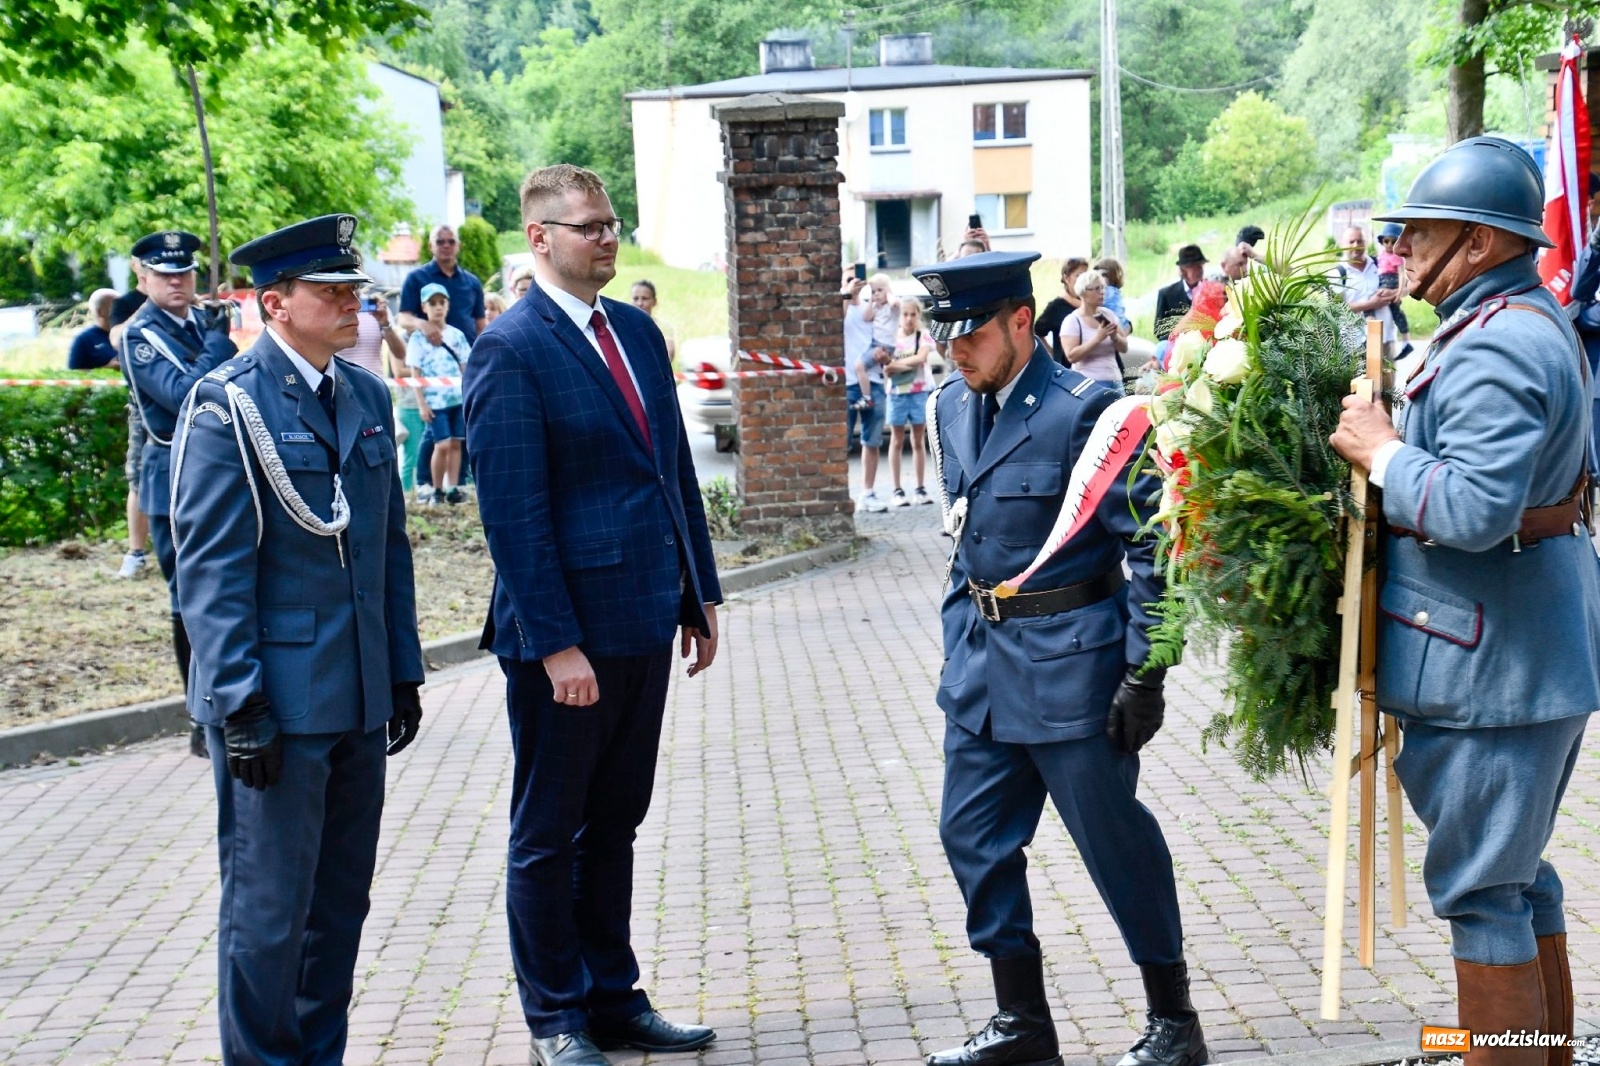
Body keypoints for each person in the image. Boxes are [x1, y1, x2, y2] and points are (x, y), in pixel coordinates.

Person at [1332, 136, 1600, 1066]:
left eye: (1418, 236)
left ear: (1480, 244)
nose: (1400, 253)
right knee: (1513, 878)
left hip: (1493, 661)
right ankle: (1542, 1054)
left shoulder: (1501, 344)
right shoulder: (1511, 318)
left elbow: (1476, 511)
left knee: (1484, 891)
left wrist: (1381, 451)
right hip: (1515, 651)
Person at [914, 250, 1205, 1066]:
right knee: (971, 838)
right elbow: (964, 536)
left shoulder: (1091, 411)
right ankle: (1023, 1025)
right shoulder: (950, 407)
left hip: (1075, 671)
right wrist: (956, 643)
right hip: (981, 672)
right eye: (945, 337)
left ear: (1018, 321)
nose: (954, 352)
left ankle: (1174, 1022)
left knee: (1116, 847)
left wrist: (1146, 671)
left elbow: (1153, 549)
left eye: (969, 334)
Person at [463, 164, 722, 1066]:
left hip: (646, 615)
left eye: (613, 224)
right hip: (565, 640)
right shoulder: (510, 348)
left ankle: (614, 999)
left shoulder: (641, 335)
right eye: (587, 227)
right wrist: (555, 644)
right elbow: (514, 514)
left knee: (615, 823)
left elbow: (672, 471)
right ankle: (557, 1019)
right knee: (548, 834)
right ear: (540, 239)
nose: (606, 238)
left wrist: (701, 593)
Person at [170, 213, 424, 1066]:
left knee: (338, 906)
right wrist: (238, 703)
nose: (352, 304)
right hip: (276, 701)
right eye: (331, 291)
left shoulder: (362, 395)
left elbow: (386, 547)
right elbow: (210, 571)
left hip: (352, 690)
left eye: (355, 290)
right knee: (269, 913)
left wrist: (400, 670)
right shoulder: (229, 404)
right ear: (275, 303)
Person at [119, 229, 237, 756]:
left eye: (184, 272)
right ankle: (201, 716)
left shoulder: (198, 323)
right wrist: (217, 344)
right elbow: (182, 395)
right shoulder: (140, 335)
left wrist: (215, 344)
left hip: (216, 472)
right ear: (142, 279)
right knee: (188, 599)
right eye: (165, 275)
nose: (177, 282)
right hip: (171, 478)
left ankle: (228, 702)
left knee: (224, 590)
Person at [407, 283, 473, 505]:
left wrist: (469, 397)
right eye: (432, 303)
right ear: (424, 307)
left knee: (456, 443)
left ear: (448, 306)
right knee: (441, 444)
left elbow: (466, 367)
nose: (438, 308)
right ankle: (436, 488)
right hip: (435, 402)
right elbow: (415, 373)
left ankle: (453, 488)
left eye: (441, 303)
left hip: (457, 399)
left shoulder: (457, 335)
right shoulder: (417, 338)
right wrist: (422, 404)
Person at [111, 260, 152, 581]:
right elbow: (117, 338)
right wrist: (152, 304)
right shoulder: (127, 304)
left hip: (189, 401)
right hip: (145, 407)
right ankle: (136, 552)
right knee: (138, 479)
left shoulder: (186, 307)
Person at [885, 296, 934, 507]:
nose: (909, 318)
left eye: (913, 314)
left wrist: (897, 364)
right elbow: (886, 367)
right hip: (896, 393)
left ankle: (920, 488)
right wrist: (906, 365)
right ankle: (897, 489)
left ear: (918, 315)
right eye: (905, 314)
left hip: (918, 391)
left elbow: (921, 359)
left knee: (918, 440)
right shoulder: (890, 338)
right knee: (896, 440)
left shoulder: (922, 336)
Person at [857, 273, 896, 513]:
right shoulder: (862, 308)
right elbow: (865, 314)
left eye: (877, 290)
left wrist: (887, 295)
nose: (874, 294)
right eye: (871, 290)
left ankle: (867, 492)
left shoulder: (890, 309)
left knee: (871, 440)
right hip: (849, 382)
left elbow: (893, 358)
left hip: (876, 384)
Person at [1332, 226, 1399, 358]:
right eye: (1351, 242)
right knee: (1358, 379)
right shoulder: (1337, 274)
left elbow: (1406, 287)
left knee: (1387, 379)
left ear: (1366, 242)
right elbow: (1335, 308)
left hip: (1385, 338)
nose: (1356, 245)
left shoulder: (1380, 263)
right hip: (1353, 344)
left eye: (1360, 241)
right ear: (1342, 244)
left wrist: (1393, 294)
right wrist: (1370, 304)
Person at [1059, 268, 1129, 387]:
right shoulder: (1072, 321)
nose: (1102, 292)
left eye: (1102, 288)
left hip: (1114, 379)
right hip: (1087, 383)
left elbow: (1124, 348)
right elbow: (1071, 356)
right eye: (1096, 289)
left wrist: (1114, 337)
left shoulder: (1109, 314)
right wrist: (1097, 338)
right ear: (1083, 292)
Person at [336, 286, 405, 378]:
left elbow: (400, 354)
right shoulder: (332, 309)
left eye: (355, 286)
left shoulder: (375, 306)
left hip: (374, 384)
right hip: (342, 384)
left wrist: (385, 324)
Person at [841, 269, 873, 455]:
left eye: (857, 278)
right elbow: (837, 322)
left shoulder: (868, 308)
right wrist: (847, 293)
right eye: (849, 279)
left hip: (870, 382)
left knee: (872, 443)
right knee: (843, 441)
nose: (854, 282)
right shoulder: (841, 306)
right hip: (847, 383)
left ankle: (868, 485)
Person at [1035, 257, 1089, 361]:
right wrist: (1052, 355)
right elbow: (1037, 331)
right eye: (1078, 276)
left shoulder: (1094, 301)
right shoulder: (1057, 306)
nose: (1083, 280)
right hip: (1069, 367)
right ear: (1066, 278)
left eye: (1086, 276)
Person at [1153, 245, 1207, 340]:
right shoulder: (1166, 295)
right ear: (1183, 270)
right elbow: (1159, 332)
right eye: (1195, 266)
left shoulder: (1209, 291)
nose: (1200, 269)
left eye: (1201, 265)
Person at [1376, 222, 1413, 353]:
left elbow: (1402, 274)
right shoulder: (1381, 254)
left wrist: (1398, 292)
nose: (1389, 245)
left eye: (1393, 241)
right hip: (1381, 280)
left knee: (1395, 311)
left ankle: (1406, 341)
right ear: (1382, 241)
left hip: (1392, 280)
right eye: (1386, 241)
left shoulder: (1397, 257)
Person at [68, 288, 119, 369]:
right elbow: (73, 374)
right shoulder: (83, 339)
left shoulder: (130, 333)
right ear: (100, 312)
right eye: (116, 306)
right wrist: (107, 369)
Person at [629, 279, 675, 361]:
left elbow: (668, 354)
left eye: (645, 298)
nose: (640, 303)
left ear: (654, 301)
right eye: (635, 298)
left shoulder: (664, 327)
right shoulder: (622, 326)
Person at [1094, 257, 1132, 330]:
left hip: (1116, 325)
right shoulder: (1115, 291)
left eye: (1102, 275)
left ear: (1110, 276)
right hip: (1122, 324)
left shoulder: (1108, 291)